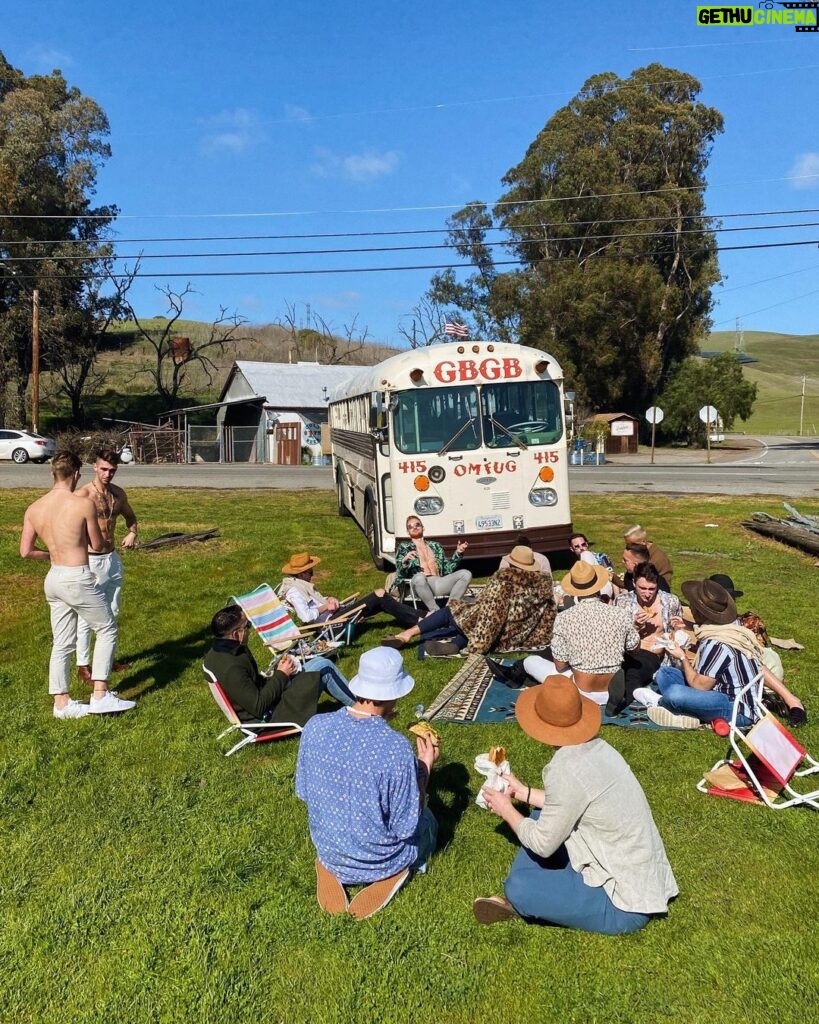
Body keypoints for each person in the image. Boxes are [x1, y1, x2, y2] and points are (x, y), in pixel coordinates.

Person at [475, 675, 678, 933]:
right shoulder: (598, 747)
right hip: (644, 878)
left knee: (519, 886)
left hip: (624, 904)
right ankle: (545, 887)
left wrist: (506, 809)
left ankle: (521, 901)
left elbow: (542, 844)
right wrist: (522, 792)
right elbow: (572, 801)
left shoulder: (565, 768)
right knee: (540, 817)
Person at [295, 647, 439, 919]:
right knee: (429, 821)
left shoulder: (314, 726)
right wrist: (425, 768)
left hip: (329, 844)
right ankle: (394, 871)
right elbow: (406, 824)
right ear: (395, 693)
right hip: (380, 856)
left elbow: (304, 792)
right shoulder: (395, 748)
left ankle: (332, 865)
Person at [19, 451, 135, 719]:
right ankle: (101, 695)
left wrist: (51, 553)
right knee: (107, 628)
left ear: (52, 474)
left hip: (53, 578)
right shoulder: (82, 504)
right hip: (76, 576)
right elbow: (97, 544)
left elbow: (25, 552)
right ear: (76, 474)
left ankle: (61, 703)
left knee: (62, 642)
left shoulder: (34, 507)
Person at [646, 579, 805, 729]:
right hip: (721, 691)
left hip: (736, 707)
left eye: (693, 605)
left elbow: (700, 686)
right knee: (665, 673)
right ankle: (688, 712)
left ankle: (664, 704)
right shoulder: (731, 628)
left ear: (699, 611)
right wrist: (691, 625)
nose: (690, 608)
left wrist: (681, 656)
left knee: (674, 693)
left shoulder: (717, 643)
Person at [382, 546, 555, 658]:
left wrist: (477, 647)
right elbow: (548, 617)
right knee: (470, 615)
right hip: (524, 636)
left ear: (512, 564)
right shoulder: (543, 586)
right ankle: (455, 644)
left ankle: (407, 634)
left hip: (502, 636)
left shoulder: (504, 583)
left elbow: (491, 618)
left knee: (451, 611)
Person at [203, 604, 355, 722]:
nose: (250, 631)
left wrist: (280, 672)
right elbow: (258, 707)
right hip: (270, 717)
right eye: (247, 626)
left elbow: (253, 685)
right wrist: (281, 675)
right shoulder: (231, 667)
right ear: (236, 634)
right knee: (325, 668)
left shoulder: (220, 651)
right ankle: (362, 708)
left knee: (319, 662)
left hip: (271, 701)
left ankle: (360, 704)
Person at [523, 561, 639, 707]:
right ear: (598, 585)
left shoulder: (564, 618)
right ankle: (610, 697)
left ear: (574, 590)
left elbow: (559, 665)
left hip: (581, 689)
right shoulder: (621, 614)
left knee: (530, 662)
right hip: (611, 685)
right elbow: (634, 647)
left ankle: (570, 693)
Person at [75, 449, 138, 683]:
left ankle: (107, 658)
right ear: (95, 466)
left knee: (113, 610)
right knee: (87, 615)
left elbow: (131, 518)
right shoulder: (83, 495)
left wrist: (132, 533)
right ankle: (83, 665)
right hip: (90, 559)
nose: (108, 474)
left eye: (112, 470)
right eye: (104, 469)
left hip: (112, 559)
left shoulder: (118, 494)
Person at [610, 563, 682, 715]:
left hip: (651, 652)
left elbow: (679, 634)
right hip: (625, 651)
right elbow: (614, 635)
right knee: (618, 670)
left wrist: (677, 628)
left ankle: (621, 700)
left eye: (652, 589)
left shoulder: (670, 602)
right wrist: (634, 626)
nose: (647, 594)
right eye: (642, 588)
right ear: (634, 583)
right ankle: (623, 694)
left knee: (633, 673)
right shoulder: (622, 602)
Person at [280, 551, 420, 629]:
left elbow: (314, 602)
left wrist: (329, 599)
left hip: (336, 613)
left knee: (382, 600)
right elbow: (306, 617)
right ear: (300, 574)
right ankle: (421, 618)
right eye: (310, 572)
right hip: (332, 623)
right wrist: (326, 607)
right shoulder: (294, 591)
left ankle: (422, 617)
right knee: (380, 594)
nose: (312, 574)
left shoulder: (300, 584)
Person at [393, 516, 472, 612]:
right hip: (418, 585)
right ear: (408, 532)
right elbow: (400, 574)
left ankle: (449, 609)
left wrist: (458, 553)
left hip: (439, 582)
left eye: (417, 525)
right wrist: (404, 561)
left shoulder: (435, 546)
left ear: (423, 527)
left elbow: (447, 569)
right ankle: (435, 612)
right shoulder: (404, 547)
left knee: (466, 574)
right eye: (410, 527)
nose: (414, 527)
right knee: (419, 577)